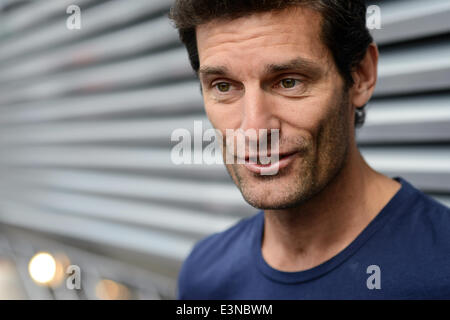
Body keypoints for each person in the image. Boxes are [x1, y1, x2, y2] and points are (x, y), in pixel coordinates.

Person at [169, 0, 450, 299]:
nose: (253, 130)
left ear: (361, 76)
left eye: (288, 82)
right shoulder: (204, 275)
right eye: (223, 86)